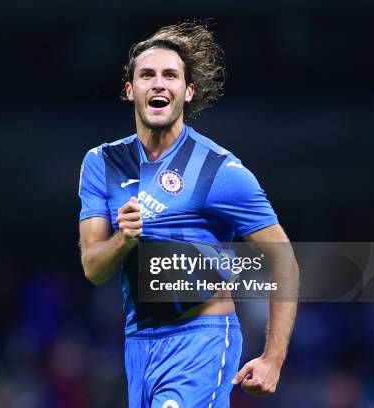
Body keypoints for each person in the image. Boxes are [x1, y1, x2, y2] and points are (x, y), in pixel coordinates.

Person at [78, 22, 299, 408]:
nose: (159, 84)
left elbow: (284, 261)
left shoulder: (221, 171)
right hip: (139, 343)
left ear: (188, 91)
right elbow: (94, 268)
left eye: (171, 75)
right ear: (130, 90)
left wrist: (273, 359)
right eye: (147, 75)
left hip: (203, 338)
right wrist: (123, 239)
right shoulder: (102, 163)